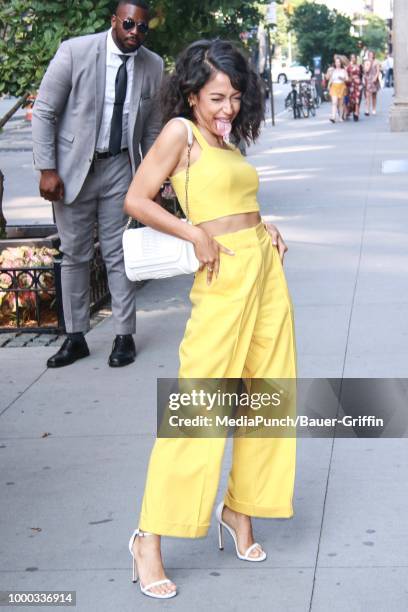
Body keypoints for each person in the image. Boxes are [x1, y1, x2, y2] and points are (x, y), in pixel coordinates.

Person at [124, 39, 297, 599]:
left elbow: (237, 202)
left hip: (265, 271)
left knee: (267, 395)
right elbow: (138, 199)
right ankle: (148, 537)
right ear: (192, 93)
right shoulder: (181, 133)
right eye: (217, 97)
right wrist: (194, 232)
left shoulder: (225, 140)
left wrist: (262, 225)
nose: (227, 108)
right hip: (221, 276)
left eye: (235, 97)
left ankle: (239, 509)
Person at [32, 0, 163, 368]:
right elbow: (44, 111)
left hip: (121, 165)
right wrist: (47, 168)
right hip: (73, 169)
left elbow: (152, 129)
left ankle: (124, 335)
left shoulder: (153, 65)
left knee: (118, 252)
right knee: (75, 254)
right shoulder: (75, 52)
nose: (135, 32)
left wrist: (151, 178)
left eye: (142, 27)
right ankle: (75, 338)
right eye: (128, 24)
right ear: (114, 22)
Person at [327, 56, 348, 123]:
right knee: (334, 102)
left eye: (338, 62)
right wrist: (328, 85)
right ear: (335, 63)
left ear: (340, 63)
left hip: (341, 86)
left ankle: (340, 117)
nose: (337, 63)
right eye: (336, 62)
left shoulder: (343, 71)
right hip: (334, 87)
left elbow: (347, 79)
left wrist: (342, 78)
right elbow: (331, 79)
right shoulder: (333, 71)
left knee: (341, 104)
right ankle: (333, 117)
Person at [363, 50, 381, 116]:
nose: (371, 55)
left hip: (374, 79)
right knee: (367, 95)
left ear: (374, 55)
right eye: (369, 54)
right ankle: (367, 110)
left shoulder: (376, 62)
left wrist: (375, 78)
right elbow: (366, 70)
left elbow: (378, 71)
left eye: (372, 54)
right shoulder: (366, 62)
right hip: (368, 79)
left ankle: (373, 109)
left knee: (374, 95)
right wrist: (369, 64)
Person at [346, 53, 363, 121]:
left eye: (354, 57)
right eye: (352, 57)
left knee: (358, 98)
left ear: (356, 58)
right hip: (352, 84)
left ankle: (356, 113)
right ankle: (351, 110)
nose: (353, 59)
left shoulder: (359, 66)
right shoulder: (348, 67)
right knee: (352, 100)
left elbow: (361, 74)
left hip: (358, 83)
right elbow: (346, 75)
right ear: (350, 59)